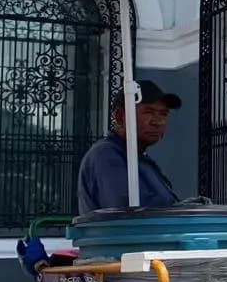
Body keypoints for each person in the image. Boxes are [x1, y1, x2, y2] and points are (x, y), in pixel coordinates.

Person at [77, 80, 181, 213]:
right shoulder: (105, 154)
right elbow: (124, 209)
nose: (158, 121)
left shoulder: (139, 158)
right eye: (148, 112)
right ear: (120, 117)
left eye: (163, 114)